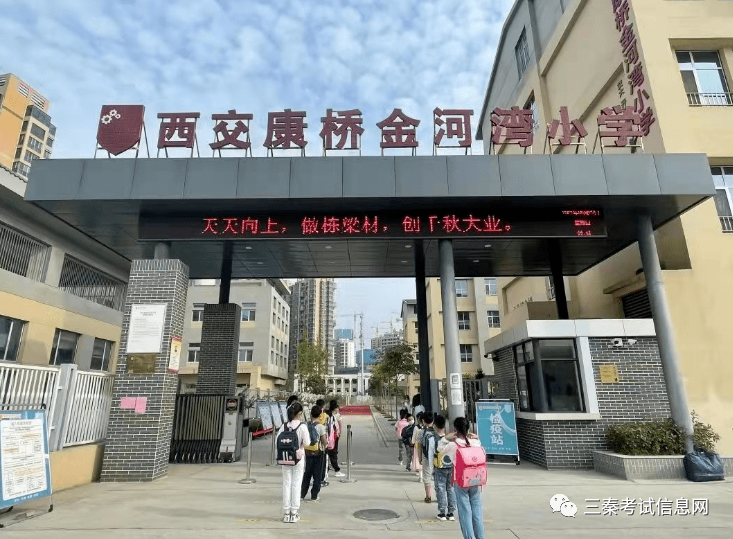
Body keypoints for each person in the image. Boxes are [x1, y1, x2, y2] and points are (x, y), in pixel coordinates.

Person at [443, 417, 484, 539]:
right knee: (477, 510)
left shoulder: (453, 445)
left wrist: (446, 437)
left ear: (455, 430)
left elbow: (440, 448)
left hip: (461, 481)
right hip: (476, 480)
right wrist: (476, 437)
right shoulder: (476, 443)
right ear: (468, 429)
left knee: (465, 511)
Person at [276, 402, 309, 523]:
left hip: (285, 459)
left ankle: (286, 513)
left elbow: (277, 441)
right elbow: (307, 443)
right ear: (299, 413)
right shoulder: (302, 426)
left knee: (286, 484)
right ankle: (294, 513)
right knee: (296, 484)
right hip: (298, 459)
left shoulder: (284, 426)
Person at [301, 406, 328, 502]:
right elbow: (324, 441)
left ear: (311, 414)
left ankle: (302, 494)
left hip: (307, 452)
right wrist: (325, 445)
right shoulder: (320, 427)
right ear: (320, 415)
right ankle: (314, 495)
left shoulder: (305, 425)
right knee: (317, 475)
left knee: (307, 473)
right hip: (318, 453)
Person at [433, 414, 456, 521]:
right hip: (451, 466)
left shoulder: (434, 439)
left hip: (439, 467)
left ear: (435, 425)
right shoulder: (452, 439)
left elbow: (431, 454)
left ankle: (442, 512)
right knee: (450, 488)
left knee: (440, 488)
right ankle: (451, 513)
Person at [419, 412, 438, 503]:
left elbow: (419, 445)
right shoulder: (436, 431)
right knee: (437, 475)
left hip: (426, 456)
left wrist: (419, 457)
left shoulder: (422, 432)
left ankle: (428, 496)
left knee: (427, 476)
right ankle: (439, 496)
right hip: (437, 456)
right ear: (433, 421)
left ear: (423, 421)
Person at [326, 401, 345, 478]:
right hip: (332, 438)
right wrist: (340, 433)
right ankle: (336, 470)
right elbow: (339, 425)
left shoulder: (327, 415)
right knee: (333, 454)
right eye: (337, 408)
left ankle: (327, 470)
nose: (338, 409)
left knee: (328, 454)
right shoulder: (333, 416)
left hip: (329, 438)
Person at [411, 412, 424, 479]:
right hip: (425, 445)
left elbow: (414, 436)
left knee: (418, 460)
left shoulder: (416, 427)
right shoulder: (426, 427)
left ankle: (420, 477)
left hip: (417, 445)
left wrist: (412, 442)